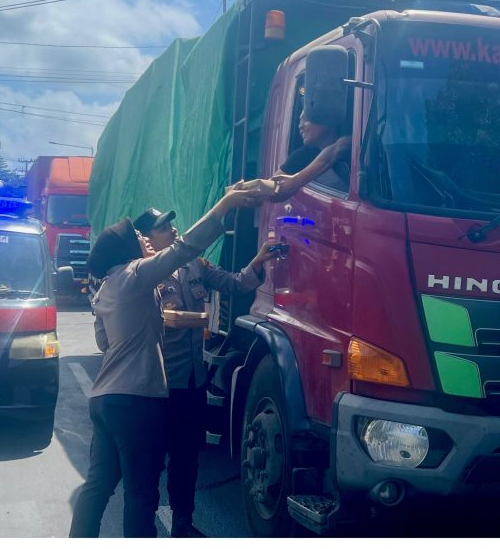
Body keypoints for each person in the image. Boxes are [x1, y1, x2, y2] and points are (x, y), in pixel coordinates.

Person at [69, 182, 269, 539]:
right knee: (142, 488)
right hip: (144, 395)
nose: (167, 232)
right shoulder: (138, 276)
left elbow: (105, 341)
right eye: (155, 231)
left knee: (106, 484)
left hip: (116, 395)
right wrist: (223, 205)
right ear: (137, 244)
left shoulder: (108, 288)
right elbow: (184, 248)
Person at [135, 207, 282, 536]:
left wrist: (258, 261)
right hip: (160, 385)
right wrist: (204, 321)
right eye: (163, 228)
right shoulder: (144, 274)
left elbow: (231, 283)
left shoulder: (192, 264)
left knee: (187, 457)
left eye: (172, 225)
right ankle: (143, 528)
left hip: (192, 380)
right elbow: (165, 320)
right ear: (147, 239)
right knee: (152, 460)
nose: (173, 231)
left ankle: (183, 522)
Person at [266, 109, 352, 199]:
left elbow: (337, 150)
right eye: (300, 121)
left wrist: (296, 181)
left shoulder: (351, 143)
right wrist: (258, 193)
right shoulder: (302, 155)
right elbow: (272, 185)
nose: (300, 126)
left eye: (306, 119)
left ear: (327, 119)